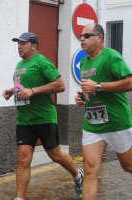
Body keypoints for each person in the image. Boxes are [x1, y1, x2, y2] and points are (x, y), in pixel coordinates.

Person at [3, 32, 84, 200]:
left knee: (55, 155)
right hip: (25, 119)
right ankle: (20, 197)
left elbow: (60, 85)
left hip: (44, 118)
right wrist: (12, 91)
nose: (19, 46)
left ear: (34, 46)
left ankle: (77, 174)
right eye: (18, 43)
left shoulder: (42, 62)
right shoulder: (19, 65)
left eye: (23, 43)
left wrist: (33, 91)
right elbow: (22, 86)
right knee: (23, 159)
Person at [75, 24, 132, 200]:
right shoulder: (83, 62)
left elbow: (129, 82)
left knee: (128, 165)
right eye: (80, 36)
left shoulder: (111, 56)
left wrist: (98, 86)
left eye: (86, 35)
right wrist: (82, 98)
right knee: (90, 169)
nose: (81, 39)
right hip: (92, 124)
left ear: (99, 38)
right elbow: (89, 89)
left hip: (116, 122)